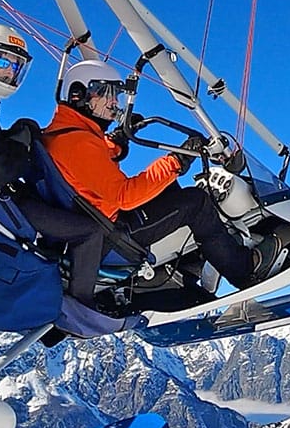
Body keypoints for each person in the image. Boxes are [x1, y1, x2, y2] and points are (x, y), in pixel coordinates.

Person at [40, 59, 266, 301]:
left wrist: (117, 141)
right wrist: (177, 161)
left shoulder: (65, 132)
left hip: (96, 222)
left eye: (115, 93)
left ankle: (189, 267)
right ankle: (245, 271)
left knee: (169, 188)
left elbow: (89, 167)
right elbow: (124, 196)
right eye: (106, 93)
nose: (114, 102)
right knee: (196, 202)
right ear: (79, 95)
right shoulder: (77, 143)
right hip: (111, 236)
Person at [0, 25, 108, 303]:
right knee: (89, 231)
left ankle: (57, 284)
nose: (8, 72)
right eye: (2, 61)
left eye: (16, 66)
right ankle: (80, 309)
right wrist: (23, 137)